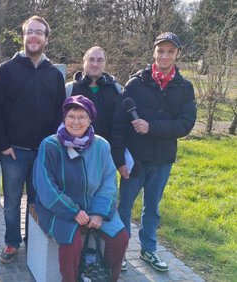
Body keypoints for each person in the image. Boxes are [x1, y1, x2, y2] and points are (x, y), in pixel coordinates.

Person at [111, 32, 196, 272]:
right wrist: (119, 159)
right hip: (134, 160)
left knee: (153, 208)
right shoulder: (136, 83)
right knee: (124, 206)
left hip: (162, 160)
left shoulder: (184, 87)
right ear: (153, 52)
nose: (165, 55)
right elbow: (118, 124)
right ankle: (120, 251)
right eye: (160, 51)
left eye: (170, 51)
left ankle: (149, 250)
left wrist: (152, 127)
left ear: (178, 54)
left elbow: (185, 124)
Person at [0, 15, 66, 264]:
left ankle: (32, 242)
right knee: (12, 203)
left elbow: (59, 114)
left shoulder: (54, 74)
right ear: (23, 37)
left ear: (46, 39)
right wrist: (2, 145)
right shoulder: (7, 70)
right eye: (29, 32)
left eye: (39, 32)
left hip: (43, 154)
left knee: (38, 203)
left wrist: (54, 149)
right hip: (14, 152)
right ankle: (12, 243)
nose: (34, 36)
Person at [33, 95, 128, 282]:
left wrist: (99, 213)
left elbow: (109, 182)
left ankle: (104, 275)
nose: (75, 121)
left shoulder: (102, 145)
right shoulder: (50, 145)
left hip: (95, 205)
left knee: (120, 238)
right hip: (58, 209)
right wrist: (73, 211)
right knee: (71, 243)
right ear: (64, 119)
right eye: (71, 116)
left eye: (82, 116)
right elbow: (45, 186)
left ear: (90, 119)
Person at [66, 46, 122, 143]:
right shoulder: (69, 90)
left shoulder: (117, 90)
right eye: (91, 60)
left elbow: (121, 125)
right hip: (75, 150)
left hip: (108, 151)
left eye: (100, 60)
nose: (95, 64)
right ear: (84, 62)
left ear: (105, 63)